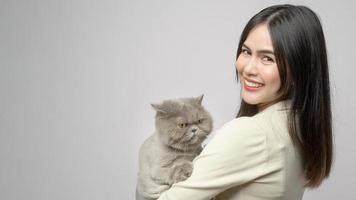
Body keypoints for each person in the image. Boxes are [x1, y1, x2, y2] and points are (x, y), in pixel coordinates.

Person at [157, 4, 333, 200]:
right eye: (246, 52)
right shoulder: (299, 122)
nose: (248, 68)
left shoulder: (252, 133)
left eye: (267, 58)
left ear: (298, 69)